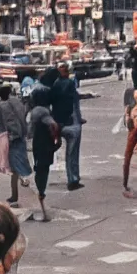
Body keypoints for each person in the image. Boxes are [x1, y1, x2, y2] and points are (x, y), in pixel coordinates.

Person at [28, 86, 61, 222]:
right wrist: (57, 139)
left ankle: (40, 191)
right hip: (45, 144)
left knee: (40, 167)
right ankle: (41, 192)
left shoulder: (35, 111)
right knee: (43, 169)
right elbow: (54, 125)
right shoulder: (43, 111)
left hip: (38, 144)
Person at [50, 60, 84, 191]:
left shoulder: (55, 85)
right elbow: (75, 104)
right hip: (72, 123)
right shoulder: (70, 84)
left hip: (58, 123)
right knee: (72, 153)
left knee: (59, 150)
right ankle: (73, 179)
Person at [0, 85, 31, 207]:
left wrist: (10, 138)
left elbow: (11, 123)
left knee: (16, 168)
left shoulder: (4, 106)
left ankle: (20, 194)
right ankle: (15, 195)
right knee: (17, 168)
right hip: (20, 138)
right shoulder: (16, 102)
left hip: (14, 140)